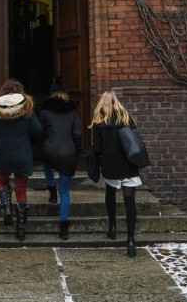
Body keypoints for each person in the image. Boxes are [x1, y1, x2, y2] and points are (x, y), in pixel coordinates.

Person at [90, 89, 143, 257]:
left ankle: (112, 226)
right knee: (130, 201)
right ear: (116, 102)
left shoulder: (99, 123)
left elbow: (97, 149)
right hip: (128, 164)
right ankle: (130, 240)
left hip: (110, 165)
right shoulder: (127, 119)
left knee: (110, 194)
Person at [0, 78, 42, 241]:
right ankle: (20, 230)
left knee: (1, 182)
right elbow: (37, 130)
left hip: (4, 151)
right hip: (22, 152)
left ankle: (7, 208)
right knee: (20, 189)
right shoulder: (27, 109)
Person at [38, 87, 81, 240]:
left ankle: (51, 189)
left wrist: (42, 146)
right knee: (65, 192)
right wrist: (76, 150)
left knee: (47, 165)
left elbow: (40, 131)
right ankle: (63, 229)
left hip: (50, 151)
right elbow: (77, 134)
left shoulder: (44, 113)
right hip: (68, 153)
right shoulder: (73, 114)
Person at [32, 14, 54, 94]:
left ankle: (47, 90)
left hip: (46, 54)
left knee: (47, 73)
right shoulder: (47, 29)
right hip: (44, 54)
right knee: (44, 73)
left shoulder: (40, 30)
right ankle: (46, 90)